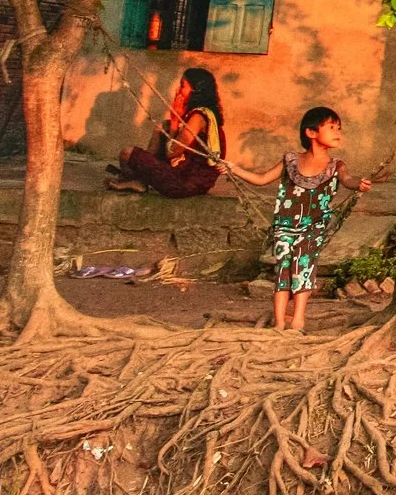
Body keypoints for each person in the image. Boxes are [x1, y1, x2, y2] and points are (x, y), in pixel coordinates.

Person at [220, 107, 371, 332]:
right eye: (331, 127)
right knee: (283, 270)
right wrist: (233, 169)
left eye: (339, 128)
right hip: (285, 225)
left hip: (313, 227)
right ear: (311, 132)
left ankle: (298, 320)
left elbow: (348, 180)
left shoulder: (336, 166)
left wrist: (359, 183)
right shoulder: (290, 160)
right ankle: (279, 323)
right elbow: (261, 179)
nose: (338, 132)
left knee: (303, 268)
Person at [107, 67, 223, 197]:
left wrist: (174, 121)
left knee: (126, 153)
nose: (177, 91)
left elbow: (171, 153)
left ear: (196, 92)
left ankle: (137, 180)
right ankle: (140, 180)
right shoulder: (200, 113)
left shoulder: (198, 117)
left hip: (185, 184)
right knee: (163, 127)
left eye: (182, 86)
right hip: (189, 178)